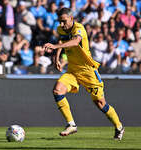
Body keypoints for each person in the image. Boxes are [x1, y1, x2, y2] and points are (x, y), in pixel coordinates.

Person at [42, 8, 124, 140]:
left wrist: (55, 47)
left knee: (100, 103)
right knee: (57, 91)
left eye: (64, 22)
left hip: (88, 71)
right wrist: (56, 57)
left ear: (72, 19)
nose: (61, 25)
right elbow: (60, 39)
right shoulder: (61, 29)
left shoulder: (79, 28)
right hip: (73, 70)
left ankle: (119, 127)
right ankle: (71, 124)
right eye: (60, 22)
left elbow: (74, 42)